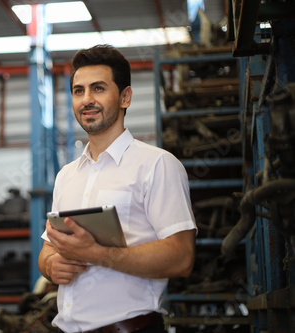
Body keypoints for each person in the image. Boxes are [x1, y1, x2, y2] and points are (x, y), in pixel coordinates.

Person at [37, 44, 197, 333]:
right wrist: (50, 266)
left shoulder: (156, 165)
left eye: (98, 89)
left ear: (125, 97)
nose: (86, 100)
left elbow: (181, 257)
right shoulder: (66, 176)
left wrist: (97, 254)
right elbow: (48, 248)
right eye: (78, 91)